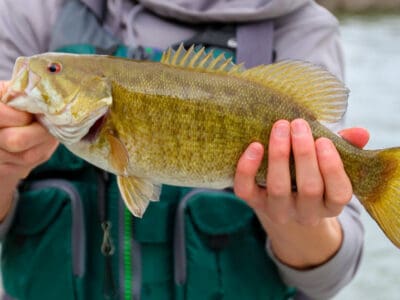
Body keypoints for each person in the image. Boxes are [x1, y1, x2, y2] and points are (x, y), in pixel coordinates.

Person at [0, 0, 369, 299]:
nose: (36, 72)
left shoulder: (300, 25)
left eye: (52, 69)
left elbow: (329, 279)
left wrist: (295, 215)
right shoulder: (32, 11)